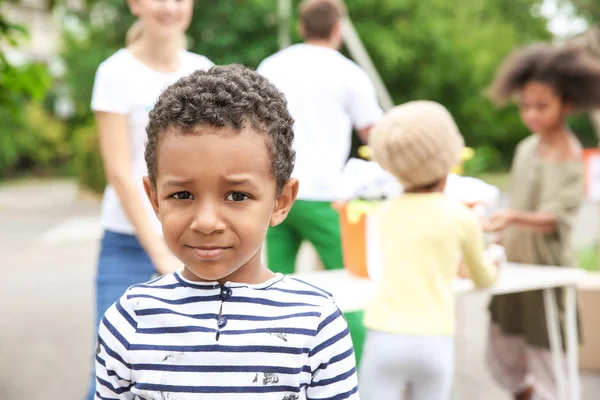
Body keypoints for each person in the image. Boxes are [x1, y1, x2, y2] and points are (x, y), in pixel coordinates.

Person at [93, 65, 359, 399]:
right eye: (182, 195)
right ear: (154, 198)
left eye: (237, 196)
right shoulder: (130, 320)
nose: (206, 222)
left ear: (281, 201)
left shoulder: (317, 323)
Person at [86, 0, 213, 398]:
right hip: (128, 242)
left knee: (195, 368)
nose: (170, 7)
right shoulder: (115, 72)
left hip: (194, 240)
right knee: (113, 370)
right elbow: (120, 173)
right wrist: (160, 252)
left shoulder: (201, 67)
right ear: (136, 4)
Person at [358, 101, 499, 400]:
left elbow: (377, 267)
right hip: (436, 338)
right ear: (449, 158)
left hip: (385, 335)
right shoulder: (462, 216)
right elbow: (482, 278)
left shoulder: (382, 213)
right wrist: (494, 262)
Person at [482, 43, 600, 400]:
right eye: (525, 106)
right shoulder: (524, 149)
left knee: (549, 357)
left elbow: (556, 218)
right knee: (501, 353)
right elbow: (517, 202)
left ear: (566, 104)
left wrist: (513, 216)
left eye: (541, 106)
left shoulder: (572, 155)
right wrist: (499, 240)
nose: (531, 114)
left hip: (548, 272)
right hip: (514, 268)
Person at [257, 0, 384, 274]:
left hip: (276, 189)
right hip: (325, 192)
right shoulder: (349, 72)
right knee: (350, 276)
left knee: (277, 282)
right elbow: (373, 133)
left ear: (301, 26)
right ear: (338, 28)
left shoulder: (271, 66)